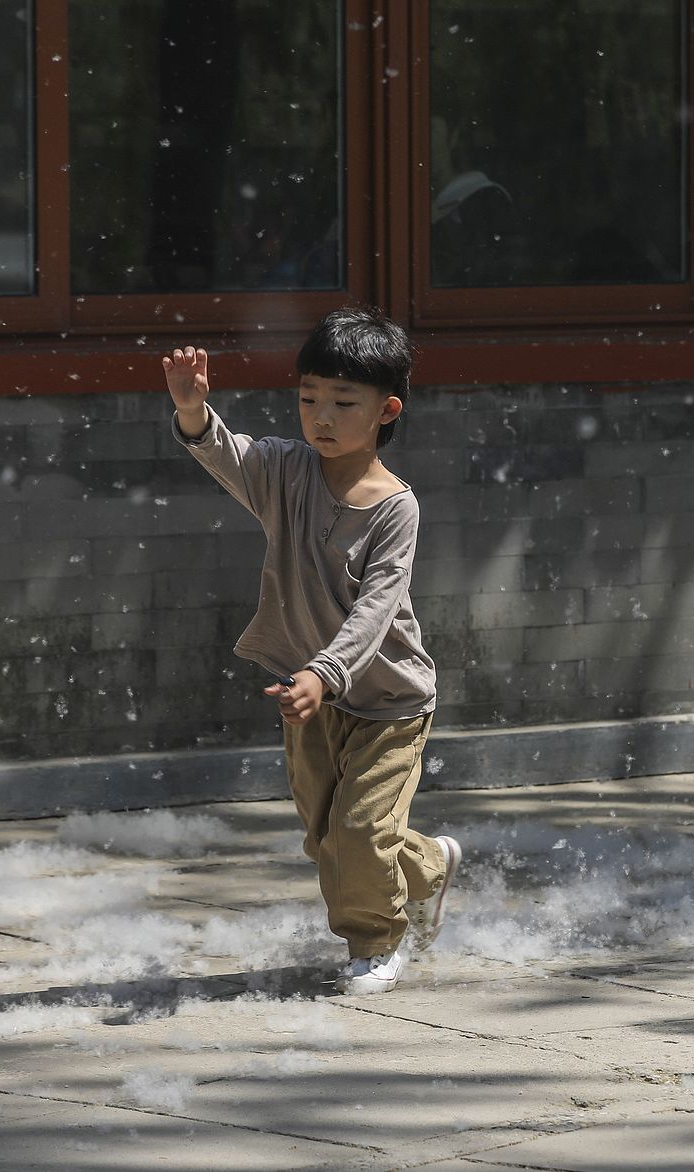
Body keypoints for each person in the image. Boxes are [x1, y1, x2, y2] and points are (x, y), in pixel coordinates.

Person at [161, 307, 460, 995]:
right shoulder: (287, 472)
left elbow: (374, 612)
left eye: (342, 401)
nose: (320, 415)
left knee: (358, 831)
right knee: (329, 837)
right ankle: (432, 867)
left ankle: (376, 943)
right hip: (310, 698)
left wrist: (325, 674)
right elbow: (227, 455)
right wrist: (194, 415)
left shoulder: (395, 509)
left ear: (387, 409)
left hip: (388, 700)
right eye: (308, 398)